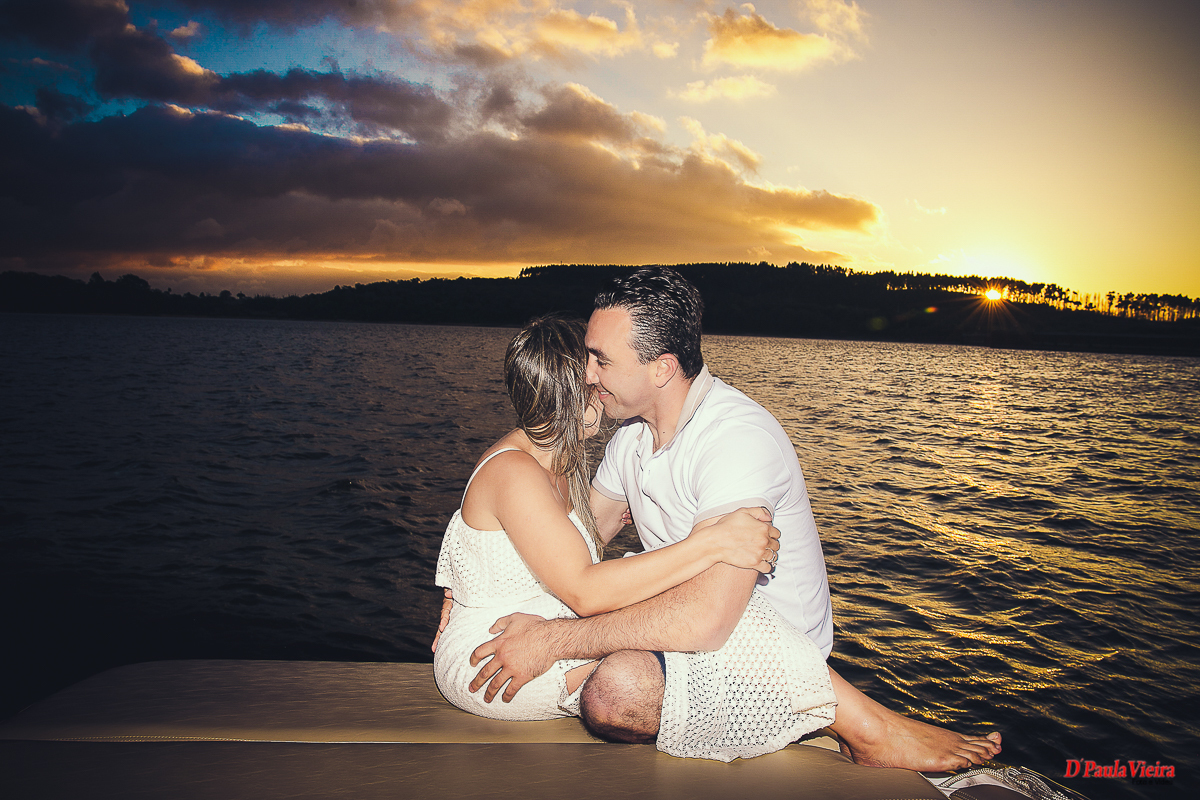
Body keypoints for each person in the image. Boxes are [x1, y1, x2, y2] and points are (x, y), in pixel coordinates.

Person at [465, 267, 1003, 768]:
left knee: (617, 691)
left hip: (763, 642)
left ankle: (861, 725)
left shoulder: (736, 439)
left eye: (601, 360)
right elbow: (579, 537)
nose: (586, 374)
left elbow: (707, 619)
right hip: (682, 621)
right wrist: (472, 579)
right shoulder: (629, 437)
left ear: (661, 368)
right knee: (600, 663)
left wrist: (553, 639)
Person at [432, 315, 783, 722]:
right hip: (495, 656)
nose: (602, 390)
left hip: (533, 628)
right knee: (695, 655)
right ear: (569, 395)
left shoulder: (556, 462)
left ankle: (846, 717)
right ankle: (845, 718)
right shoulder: (515, 471)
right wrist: (712, 542)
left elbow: (562, 547)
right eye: (593, 382)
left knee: (708, 631)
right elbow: (585, 591)